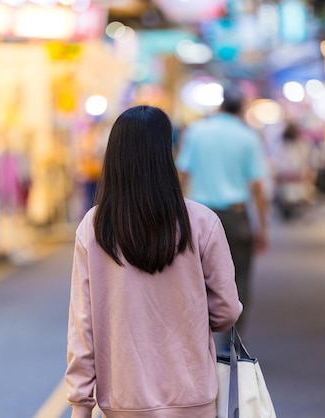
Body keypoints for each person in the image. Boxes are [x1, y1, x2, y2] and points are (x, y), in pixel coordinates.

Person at [65, 105, 242, 418]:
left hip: (123, 402)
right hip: (192, 399)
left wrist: (81, 406)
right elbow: (226, 312)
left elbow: (83, 326)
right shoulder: (202, 222)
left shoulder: (93, 228)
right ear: (168, 153)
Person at [175, 83, 268, 349]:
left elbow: (183, 174)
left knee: (194, 278)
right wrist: (262, 227)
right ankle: (233, 341)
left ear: (219, 105)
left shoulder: (196, 132)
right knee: (239, 279)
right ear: (240, 108)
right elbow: (258, 187)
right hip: (236, 217)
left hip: (198, 218)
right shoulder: (247, 137)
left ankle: (197, 341)